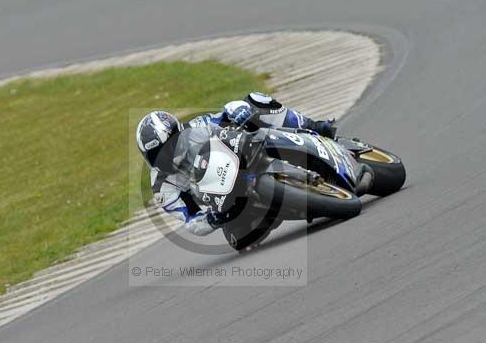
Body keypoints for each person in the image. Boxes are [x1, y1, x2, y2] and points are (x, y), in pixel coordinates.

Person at [135, 93, 338, 236]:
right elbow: (190, 221)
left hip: (243, 157)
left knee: (255, 100)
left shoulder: (197, 128)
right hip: (229, 206)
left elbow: (225, 112)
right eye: (154, 155)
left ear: (178, 133)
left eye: (167, 147)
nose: (163, 156)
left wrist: (238, 110)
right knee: (240, 240)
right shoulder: (162, 187)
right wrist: (213, 219)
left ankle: (313, 127)